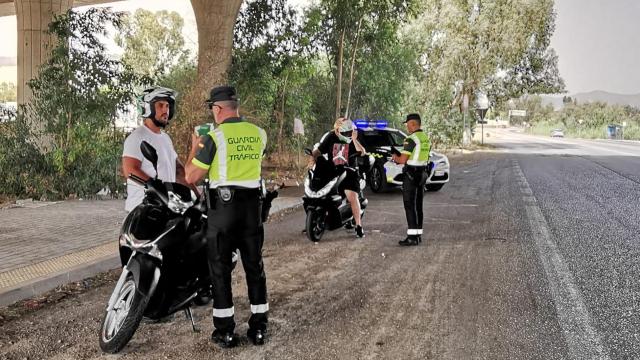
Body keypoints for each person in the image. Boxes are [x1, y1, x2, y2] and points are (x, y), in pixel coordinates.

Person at [184, 85, 269, 348]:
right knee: (255, 268)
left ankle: (225, 331)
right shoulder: (259, 134)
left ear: (218, 109)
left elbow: (190, 177)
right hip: (252, 212)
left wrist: (195, 146)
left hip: (223, 213)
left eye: (212, 109)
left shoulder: (214, 138)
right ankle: (258, 329)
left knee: (220, 271)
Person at [121, 86, 192, 212]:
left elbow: (179, 171)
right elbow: (130, 170)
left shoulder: (166, 138)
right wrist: (158, 188)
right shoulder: (137, 137)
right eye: (161, 105)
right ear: (148, 108)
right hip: (142, 209)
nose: (166, 110)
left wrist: (198, 195)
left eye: (168, 106)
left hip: (164, 207)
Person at [312, 118, 367, 238]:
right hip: (333, 170)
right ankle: (315, 220)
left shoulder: (354, 137)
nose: (347, 134)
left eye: (349, 132)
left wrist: (353, 139)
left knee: (351, 195)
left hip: (349, 171)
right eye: (345, 133)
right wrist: (312, 159)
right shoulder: (331, 136)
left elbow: (362, 152)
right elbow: (318, 151)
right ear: (337, 130)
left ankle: (358, 225)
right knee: (318, 192)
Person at [392, 113, 431, 246]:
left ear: (413, 124)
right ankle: (418, 234)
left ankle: (412, 238)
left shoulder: (411, 139)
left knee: (409, 205)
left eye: (407, 124)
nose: (407, 127)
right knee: (418, 205)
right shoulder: (425, 137)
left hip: (411, 175)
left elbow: (402, 160)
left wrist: (395, 158)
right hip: (422, 174)